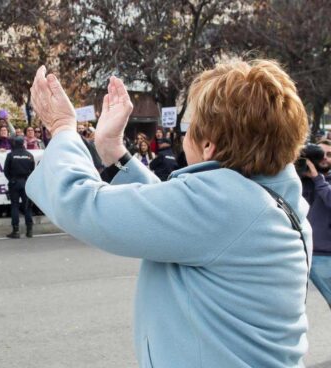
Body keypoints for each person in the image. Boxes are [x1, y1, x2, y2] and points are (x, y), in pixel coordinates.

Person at [27, 60, 311, 367]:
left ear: (208, 146)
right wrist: (113, 150)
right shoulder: (265, 199)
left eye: (189, 130)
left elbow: (79, 202)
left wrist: (62, 129)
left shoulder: (224, 205)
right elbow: (180, 219)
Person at [301, 139, 331, 308]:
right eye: (320, 155)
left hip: (325, 255)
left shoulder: (320, 180)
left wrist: (318, 179)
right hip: (301, 253)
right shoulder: (302, 180)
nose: (324, 158)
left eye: (329, 154)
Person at [4, 136, 35, 238]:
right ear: (23, 143)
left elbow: (6, 171)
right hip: (26, 182)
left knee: (15, 206)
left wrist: (11, 179)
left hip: (14, 182)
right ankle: (29, 231)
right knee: (27, 207)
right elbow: (33, 170)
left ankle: (16, 231)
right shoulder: (29, 155)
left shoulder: (10, 155)